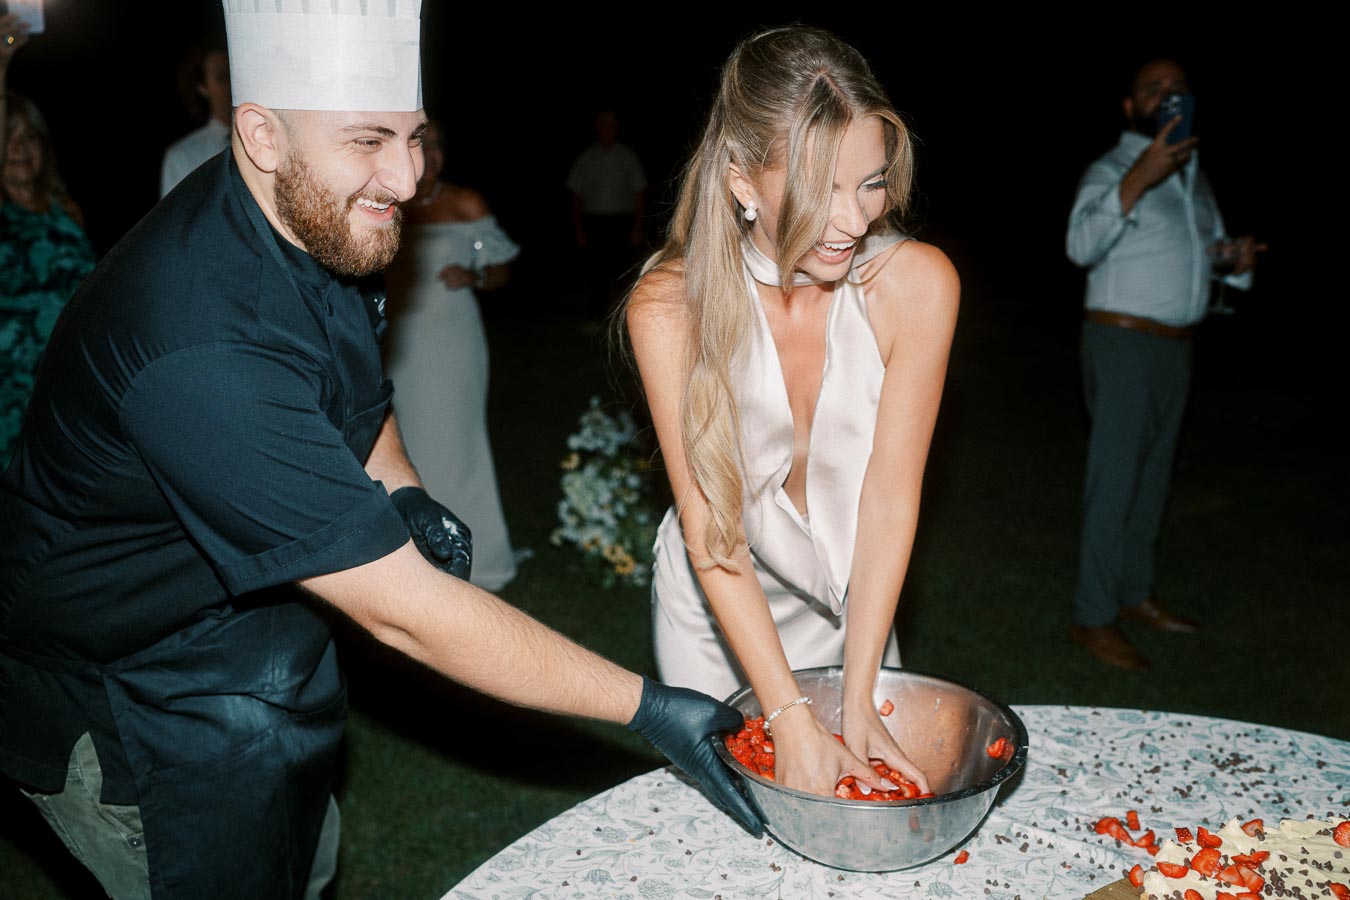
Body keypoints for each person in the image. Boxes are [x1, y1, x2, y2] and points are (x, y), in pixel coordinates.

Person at [0, 5, 758, 898]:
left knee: (305, 860)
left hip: (253, 620)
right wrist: (652, 707)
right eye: (367, 140)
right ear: (261, 134)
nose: (405, 177)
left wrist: (400, 489)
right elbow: (405, 614)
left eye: (415, 137)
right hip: (124, 679)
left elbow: (357, 397)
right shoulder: (201, 345)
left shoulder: (315, 222)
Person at [622, 26, 958, 799]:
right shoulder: (673, 308)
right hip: (721, 610)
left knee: (872, 810)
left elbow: (888, 500)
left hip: (858, 607)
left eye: (870, 183)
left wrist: (860, 682)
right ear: (742, 181)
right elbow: (715, 536)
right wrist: (790, 715)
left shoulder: (918, 286)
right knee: (741, 825)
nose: (851, 220)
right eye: (818, 190)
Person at [1065, 58, 1263, 672]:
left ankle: (1132, 594)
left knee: (1153, 481)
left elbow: (1204, 260)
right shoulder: (1113, 167)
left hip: (1178, 346)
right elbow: (1080, 246)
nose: (1168, 94)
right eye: (1154, 88)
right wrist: (1139, 179)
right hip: (1121, 343)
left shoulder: (1194, 180)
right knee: (1115, 480)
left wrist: (1231, 260)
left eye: (1177, 88)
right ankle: (1092, 617)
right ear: (1131, 108)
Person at [383, 119, 523, 591]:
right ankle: (418, 553)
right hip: (400, 340)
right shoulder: (387, 204)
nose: (434, 153)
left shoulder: (465, 203)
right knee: (407, 442)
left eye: (440, 144)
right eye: (426, 143)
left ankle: (480, 557)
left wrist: (475, 276)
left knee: (458, 442)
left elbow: (501, 271)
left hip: (455, 340)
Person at [1, 15, 97, 467]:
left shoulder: (66, 211)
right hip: (9, 392)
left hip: (64, 390)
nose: (20, 147)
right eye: (7, 137)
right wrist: (2, 61)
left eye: (29, 137)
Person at [568, 108, 646, 323]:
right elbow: (577, 195)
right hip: (594, 221)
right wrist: (579, 228)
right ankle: (597, 316)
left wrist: (637, 227)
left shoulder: (627, 156)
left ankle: (625, 319)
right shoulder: (587, 157)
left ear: (616, 128)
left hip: (622, 220)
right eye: (603, 124)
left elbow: (639, 192)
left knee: (624, 272)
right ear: (597, 128)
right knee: (596, 273)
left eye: (611, 124)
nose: (607, 129)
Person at [159, 36, 232, 198]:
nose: (231, 84)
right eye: (221, 77)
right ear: (203, 87)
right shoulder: (182, 156)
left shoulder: (268, 138)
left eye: (233, 74)